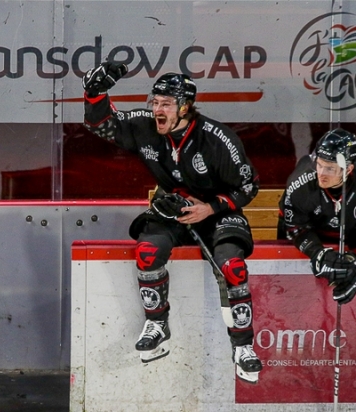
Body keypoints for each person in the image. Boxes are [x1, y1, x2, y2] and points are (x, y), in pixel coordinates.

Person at [82, 63, 263, 384]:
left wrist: (209, 208)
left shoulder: (219, 138)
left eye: (165, 104)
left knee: (233, 266)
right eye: (155, 102)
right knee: (148, 253)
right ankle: (157, 323)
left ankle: (243, 346)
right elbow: (104, 124)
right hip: (173, 208)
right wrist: (95, 94)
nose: (156, 109)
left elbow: (248, 187)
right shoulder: (145, 125)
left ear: (185, 107)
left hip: (217, 211)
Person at [278, 129, 356, 303]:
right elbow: (293, 227)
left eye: (329, 168)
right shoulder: (299, 185)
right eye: (319, 164)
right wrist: (317, 253)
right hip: (309, 235)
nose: (321, 173)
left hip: (349, 233)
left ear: (348, 169)